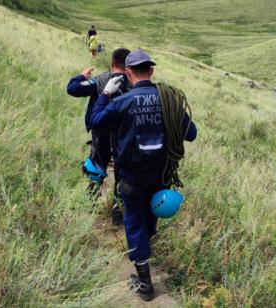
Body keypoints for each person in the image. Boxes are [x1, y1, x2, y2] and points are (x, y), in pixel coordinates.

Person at [91, 50, 197, 301]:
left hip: (131, 177)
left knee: (135, 222)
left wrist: (106, 92)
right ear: (151, 71)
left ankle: (145, 283)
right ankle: (144, 248)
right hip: (162, 176)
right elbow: (191, 134)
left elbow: (97, 121)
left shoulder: (121, 102)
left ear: (128, 73)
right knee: (148, 220)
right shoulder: (169, 100)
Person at [66, 48, 132, 225]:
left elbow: (72, 89)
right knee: (122, 175)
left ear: (112, 64)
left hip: (100, 135)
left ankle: (90, 207)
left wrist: (81, 76)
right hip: (123, 138)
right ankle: (118, 215)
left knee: (96, 169)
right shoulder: (133, 84)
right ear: (128, 66)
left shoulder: (100, 80)